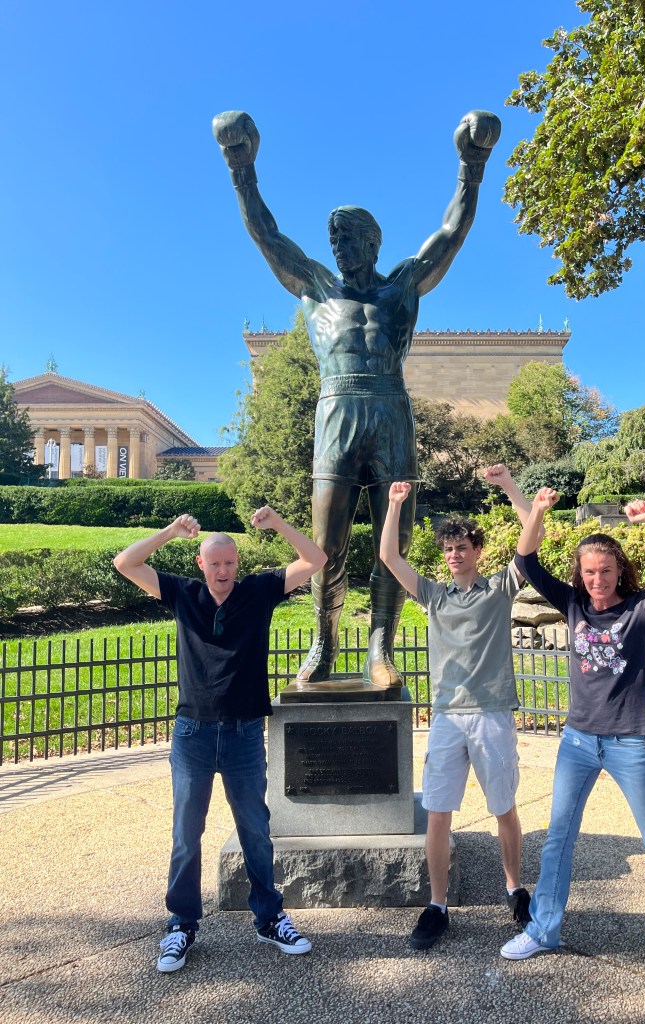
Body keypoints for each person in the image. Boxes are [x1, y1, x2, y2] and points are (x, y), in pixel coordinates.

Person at [212, 108, 501, 692]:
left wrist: (472, 166)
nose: (340, 248)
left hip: (390, 409)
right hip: (336, 411)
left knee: (394, 539)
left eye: (349, 239)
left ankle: (380, 648)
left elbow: (451, 233)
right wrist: (242, 167)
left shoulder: (401, 288)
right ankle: (324, 639)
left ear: (374, 242)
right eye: (334, 240)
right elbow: (267, 235)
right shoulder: (317, 287)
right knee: (327, 543)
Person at [500, 489, 645, 992]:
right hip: (577, 742)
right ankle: (543, 928)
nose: (597, 580)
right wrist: (539, 511)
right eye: (589, 572)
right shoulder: (571, 603)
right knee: (557, 842)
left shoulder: (640, 609)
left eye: (606, 571)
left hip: (630, 743)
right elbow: (525, 560)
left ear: (620, 572)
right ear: (580, 574)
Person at [113, 508, 327, 972]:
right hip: (192, 731)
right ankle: (181, 925)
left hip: (245, 732)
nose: (223, 572)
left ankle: (269, 918)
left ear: (237, 563)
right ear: (201, 564)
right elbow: (125, 563)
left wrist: (280, 525)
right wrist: (168, 530)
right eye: (214, 564)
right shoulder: (182, 594)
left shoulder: (258, 591)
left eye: (229, 563)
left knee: (256, 830)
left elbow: (316, 559)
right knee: (186, 835)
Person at [380, 465, 536, 949]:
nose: (453, 556)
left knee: (504, 806)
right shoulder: (433, 595)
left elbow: (531, 536)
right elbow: (389, 556)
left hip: (491, 712)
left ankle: (514, 888)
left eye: (461, 549)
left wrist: (510, 486)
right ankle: (438, 905)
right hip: (447, 715)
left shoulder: (498, 588)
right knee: (438, 813)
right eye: (447, 550)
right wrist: (395, 504)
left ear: (477, 551)